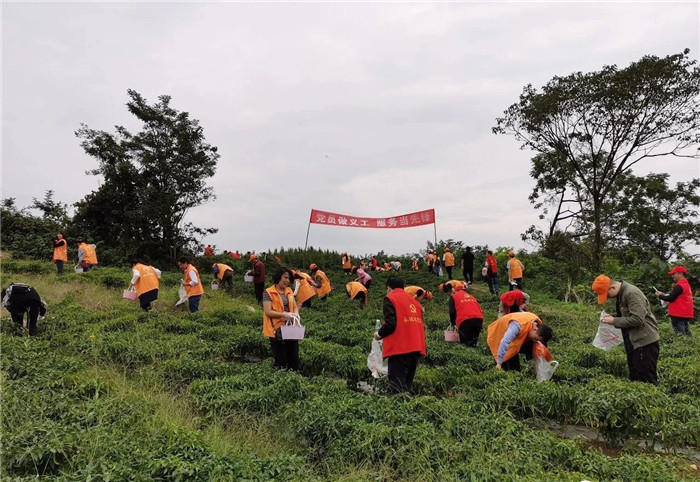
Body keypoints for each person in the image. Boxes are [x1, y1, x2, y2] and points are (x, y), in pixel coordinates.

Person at [592, 275, 660, 384]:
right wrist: (611, 316)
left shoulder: (632, 293)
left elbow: (638, 319)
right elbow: (625, 314)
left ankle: (651, 400)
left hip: (644, 341)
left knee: (646, 379)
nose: (608, 297)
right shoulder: (620, 295)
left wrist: (614, 321)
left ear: (612, 288)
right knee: (634, 375)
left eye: (607, 294)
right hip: (633, 340)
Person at [374, 277, 427, 394]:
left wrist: (379, 334)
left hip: (400, 349)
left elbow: (391, 324)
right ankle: (410, 409)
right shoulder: (415, 302)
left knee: (397, 387)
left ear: (388, 288)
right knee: (406, 385)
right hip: (416, 348)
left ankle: (403, 409)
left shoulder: (391, 298)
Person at [487, 312, 553, 372]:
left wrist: (544, 363)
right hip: (498, 334)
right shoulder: (517, 326)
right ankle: (499, 363)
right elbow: (504, 342)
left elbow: (542, 345)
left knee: (536, 344)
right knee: (508, 367)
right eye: (535, 338)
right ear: (535, 329)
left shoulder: (537, 324)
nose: (535, 341)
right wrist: (499, 363)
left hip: (516, 336)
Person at [262, 267, 300, 371]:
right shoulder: (268, 292)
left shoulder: (289, 291)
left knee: (294, 358)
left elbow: (295, 306)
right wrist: (284, 315)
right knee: (281, 360)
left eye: (289, 279)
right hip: (276, 330)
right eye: (285, 278)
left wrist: (296, 313)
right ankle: (279, 381)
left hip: (290, 328)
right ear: (278, 277)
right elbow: (268, 311)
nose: (287, 281)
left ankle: (293, 379)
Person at [655, 266, 694, 336]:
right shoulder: (686, 284)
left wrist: (660, 296)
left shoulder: (679, 286)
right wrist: (663, 295)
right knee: (686, 333)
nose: (672, 276)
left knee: (680, 334)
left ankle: (682, 346)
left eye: (674, 274)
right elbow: (677, 296)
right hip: (685, 313)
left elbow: (671, 298)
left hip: (678, 313)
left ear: (680, 274)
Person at [443, 282, 483, 346]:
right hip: (479, 319)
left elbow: (452, 312)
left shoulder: (453, 296)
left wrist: (452, 322)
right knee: (474, 341)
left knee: (465, 343)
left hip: (465, 320)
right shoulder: (471, 296)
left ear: (454, 290)